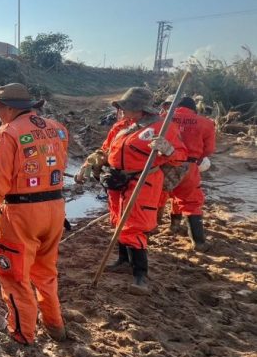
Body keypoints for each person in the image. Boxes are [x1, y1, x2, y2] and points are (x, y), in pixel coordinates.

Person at [0, 83, 69, 345]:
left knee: (13, 275)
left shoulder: (8, 133)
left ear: (9, 108)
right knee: (45, 273)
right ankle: (54, 325)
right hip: (56, 209)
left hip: (21, 214)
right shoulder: (57, 129)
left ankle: (21, 334)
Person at [91, 87, 186, 295]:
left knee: (134, 225)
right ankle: (123, 261)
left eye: (126, 107)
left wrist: (167, 149)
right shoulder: (122, 126)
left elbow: (180, 156)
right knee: (118, 221)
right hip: (117, 180)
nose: (122, 111)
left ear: (141, 109)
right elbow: (107, 149)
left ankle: (140, 275)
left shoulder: (162, 127)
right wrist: (97, 161)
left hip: (143, 180)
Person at [158, 95, 216, 249]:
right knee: (190, 202)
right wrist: (197, 157)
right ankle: (198, 242)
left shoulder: (163, 118)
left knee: (157, 197)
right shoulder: (207, 123)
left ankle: (157, 229)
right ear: (194, 108)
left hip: (163, 165)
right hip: (189, 166)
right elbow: (209, 149)